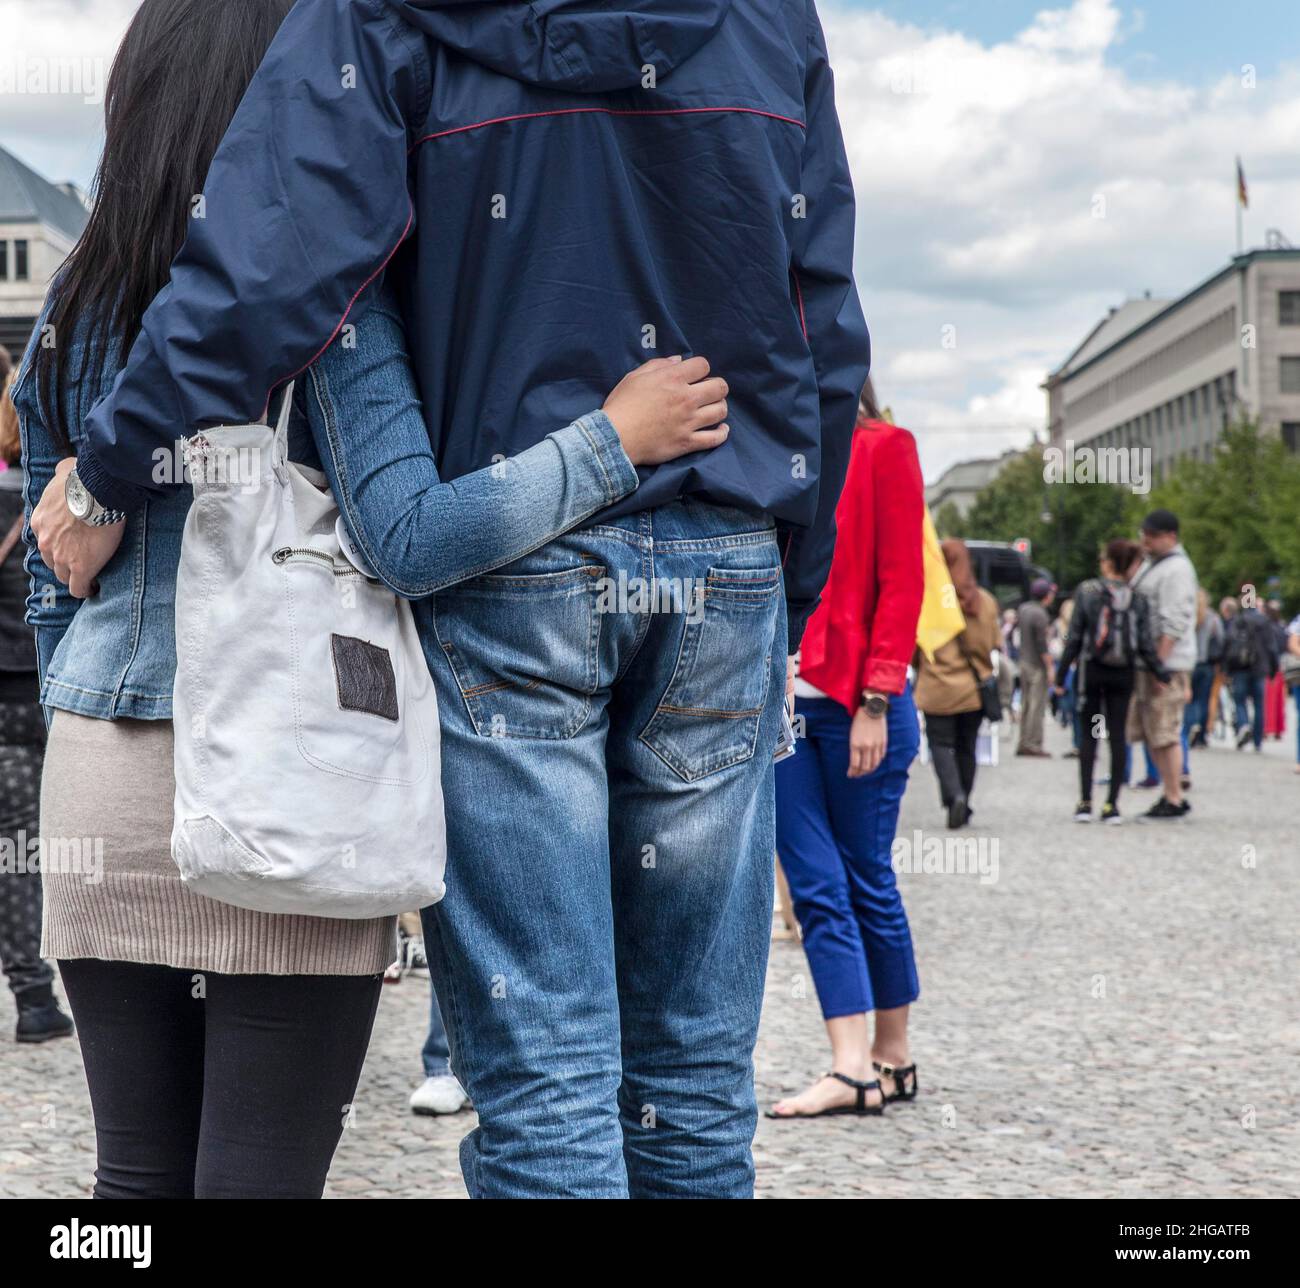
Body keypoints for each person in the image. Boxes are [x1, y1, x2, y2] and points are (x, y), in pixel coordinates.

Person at [29, 0, 868, 1198]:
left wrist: (109, 475)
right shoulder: (769, 16)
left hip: (506, 577)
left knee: (541, 1076)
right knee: (691, 1075)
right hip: (719, 543)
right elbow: (821, 304)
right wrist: (791, 570)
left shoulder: (361, 28)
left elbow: (269, 267)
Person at [768, 382, 924, 1120]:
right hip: (785, 706)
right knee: (817, 887)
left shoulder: (885, 448)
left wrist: (876, 700)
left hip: (860, 703)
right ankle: (853, 1067)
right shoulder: (768, 452)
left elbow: (903, 584)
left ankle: (893, 1056)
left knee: (867, 880)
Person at [1, 361, 74, 1043]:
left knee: (17, 849)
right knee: (31, 848)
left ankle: (34, 999)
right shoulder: (48, 494)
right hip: (38, 690)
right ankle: (38, 999)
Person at [1054, 539, 1169, 825]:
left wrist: (1060, 675)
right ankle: (1112, 806)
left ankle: (1084, 803)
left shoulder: (1088, 592)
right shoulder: (1137, 598)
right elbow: (1144, 643)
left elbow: (1075, 637)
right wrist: (1160, 672)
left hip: (1092, 671)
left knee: (1090, 734)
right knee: (1117, 735)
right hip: (1123, 673)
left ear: (1107, 563)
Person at [915, 540, 1001, 828]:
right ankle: (964, 796)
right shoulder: (985, 602)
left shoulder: (927, 601)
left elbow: (915, 646)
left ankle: (953, 796)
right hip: (973, 689)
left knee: (941, 744)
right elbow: (994, 644)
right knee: (968, 746)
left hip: (937, 685)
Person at [1127, 510, 1198, 820]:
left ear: (1171, 536)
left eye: (1152, 536)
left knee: (1165, 731)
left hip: (1165, 662)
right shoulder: (1155, 566)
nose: (1146, 541)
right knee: (1154, 731)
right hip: (1153, 661)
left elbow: (1175, 620)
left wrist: (1161, 664)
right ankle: (1168, 792)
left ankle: (1174, 795)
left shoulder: (1177, 570)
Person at [1223, 597, 1280, 753]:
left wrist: (1226, 669)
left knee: (1239, 701)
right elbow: (1272, 647)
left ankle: (1243, 725)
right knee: (1259, 704)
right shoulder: (1264, 621)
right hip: (1260, 668)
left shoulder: (1238, 620)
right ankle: (1257, 741)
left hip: (1240, 667)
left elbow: (1228, 643)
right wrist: (1274, 670)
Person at [1015, 578, 1056, 758]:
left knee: (1026, 703)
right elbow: (1042, 645)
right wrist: (1050, 667)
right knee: (1036, 705)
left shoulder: (1023, 609)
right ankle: (1033, 743)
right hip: (1036, 664)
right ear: (1046, 595)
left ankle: (1023, 740)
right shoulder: (1040, 614)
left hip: (1023, 660)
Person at [1184, 590, 1223, 749]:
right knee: (1204, 699)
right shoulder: (1213, 618)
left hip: (1189, 663)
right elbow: (1221, 639)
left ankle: (1189, 726)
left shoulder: (1188, 615)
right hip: (1207, 664)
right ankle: (1201, 735)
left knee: (1189, 699)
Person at [998, 607, 1020, 725]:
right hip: (1009, 662)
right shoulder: (1008, 630)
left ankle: (1013, 712)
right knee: (1010, 689)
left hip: (1012, 662)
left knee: (1013, 689)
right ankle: (1012, 712)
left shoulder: (1010, 630)